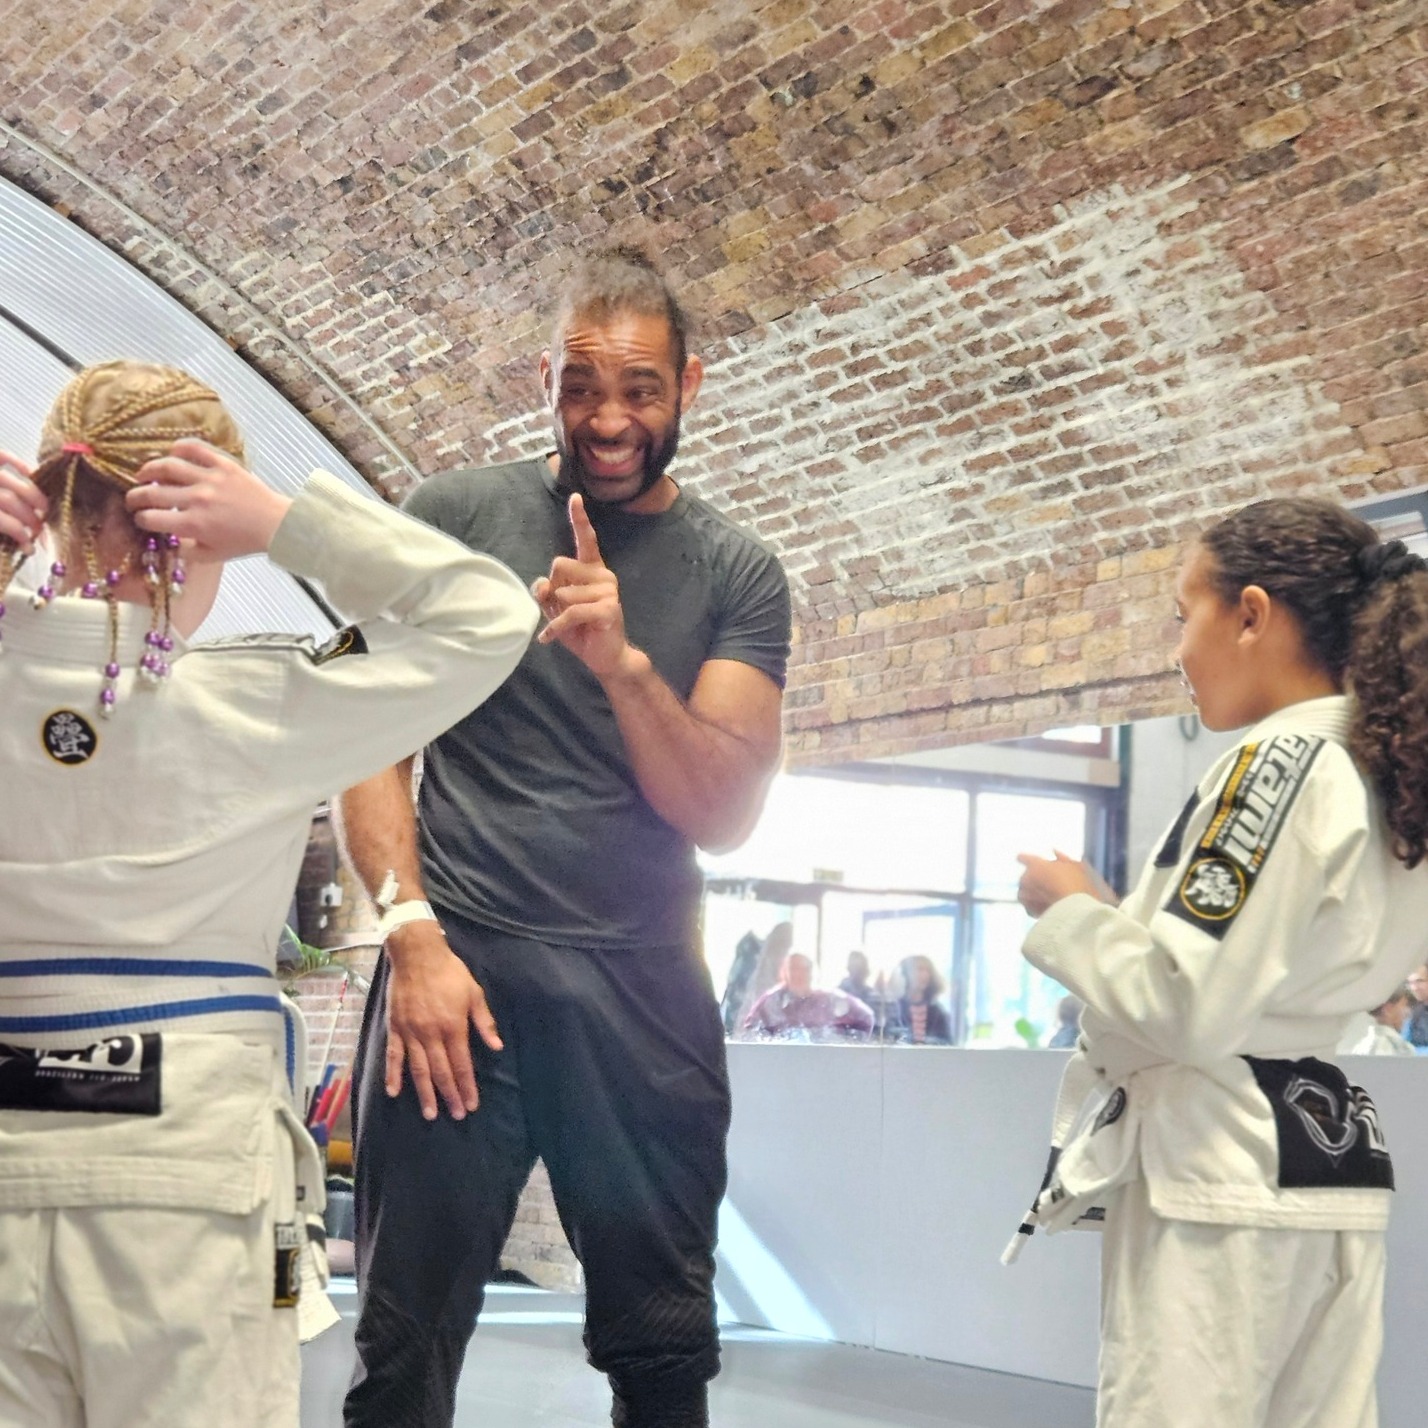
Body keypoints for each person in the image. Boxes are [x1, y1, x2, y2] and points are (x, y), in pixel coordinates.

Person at [0, 362, 537, 1428]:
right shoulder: (266, 696)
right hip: (194, 1175)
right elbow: (487, 614)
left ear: (57, 507)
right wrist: (291, 528)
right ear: (198, 528)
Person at [335, 248, 792, 1428]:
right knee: (401, 1350)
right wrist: (411, 936)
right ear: (546, 379)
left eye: (639, 389)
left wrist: (625, 665)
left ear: (689, 385)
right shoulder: (451, 517)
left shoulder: (737, 573)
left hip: (641, 991)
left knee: (663, 1355)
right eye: (581, 385)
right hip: (456, 978)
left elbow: (726, 813)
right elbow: (364, 742)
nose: (608, 418)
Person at [1010, 498, 1428, 1428]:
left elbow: (1189, 1005)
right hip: (1324, 1157)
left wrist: (1074, 911)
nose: (1176, 649)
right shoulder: (1387, 763)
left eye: (1182, 614)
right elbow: (1251, 970)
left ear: (1250, 613)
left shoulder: (1279, 764)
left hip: (1221, 1173)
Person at [741, 952, 875, 1039]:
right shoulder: (771, 1001)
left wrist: (845, 1044)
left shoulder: (830, 999)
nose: (799, 974)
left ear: (813, 972)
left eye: (805, 969)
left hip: (825, 1066)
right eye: (794, 969)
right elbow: (749, 1033)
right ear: (785, 972)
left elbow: (866, 1018)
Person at [1337, 988, 1416, 1057]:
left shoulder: (1361, 1046)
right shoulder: (1391, 1048)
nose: (1407, 1013)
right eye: (1404, 1005)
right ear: (1388, 1009)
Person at [895, 955, 952, 1045]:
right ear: (905, 973)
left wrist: (924, 1043)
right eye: (919, 969)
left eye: (928, 970)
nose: (925, 975)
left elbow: (947, 1043)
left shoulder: (937, 1011)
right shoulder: (895, 1007)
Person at [1403, 963, 1428, 1047]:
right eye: (1410, 983)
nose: (1414, 988)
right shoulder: (1413, 1013)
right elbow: (1404, 1046)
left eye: (1419, 981)